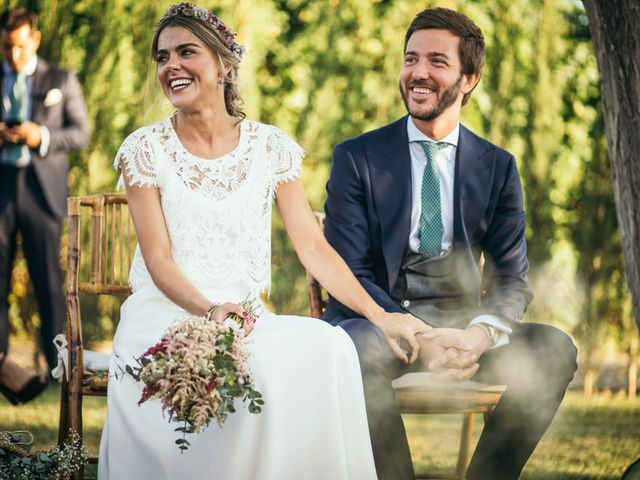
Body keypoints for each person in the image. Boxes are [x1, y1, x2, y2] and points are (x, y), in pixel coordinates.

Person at [98, 3, 427, 478]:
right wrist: (211, 311)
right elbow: (158, 259)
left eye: (185, 52)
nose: (170, 65)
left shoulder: (271, 148)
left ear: (224, 64)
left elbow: (313, 248)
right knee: (259, 375)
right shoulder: (144, 150)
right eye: (162, 56)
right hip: (165, 317)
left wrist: (382, 317)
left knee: (329, 346)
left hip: (248, 321)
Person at [322, 7, 578, 480]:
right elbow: (348, 272)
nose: (418, 73)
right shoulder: (356, 158)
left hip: (462, 334)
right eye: (410, 59)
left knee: (555, 348)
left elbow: (510, 279)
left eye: (437, 61)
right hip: (376, 325)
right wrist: (418, 337)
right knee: (346, 347)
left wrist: (476, 337)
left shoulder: (498, 167)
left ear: (469, 79)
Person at [0, 7, 88, 402]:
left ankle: (57, 368)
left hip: (40, 191)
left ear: (33, 40)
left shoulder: (61, 79)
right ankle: (3, 366)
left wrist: (42, 136)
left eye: (18, 47)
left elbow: (81, 132)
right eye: (5, 48)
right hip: (2, 186)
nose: (12, 55)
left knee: (49, 284)